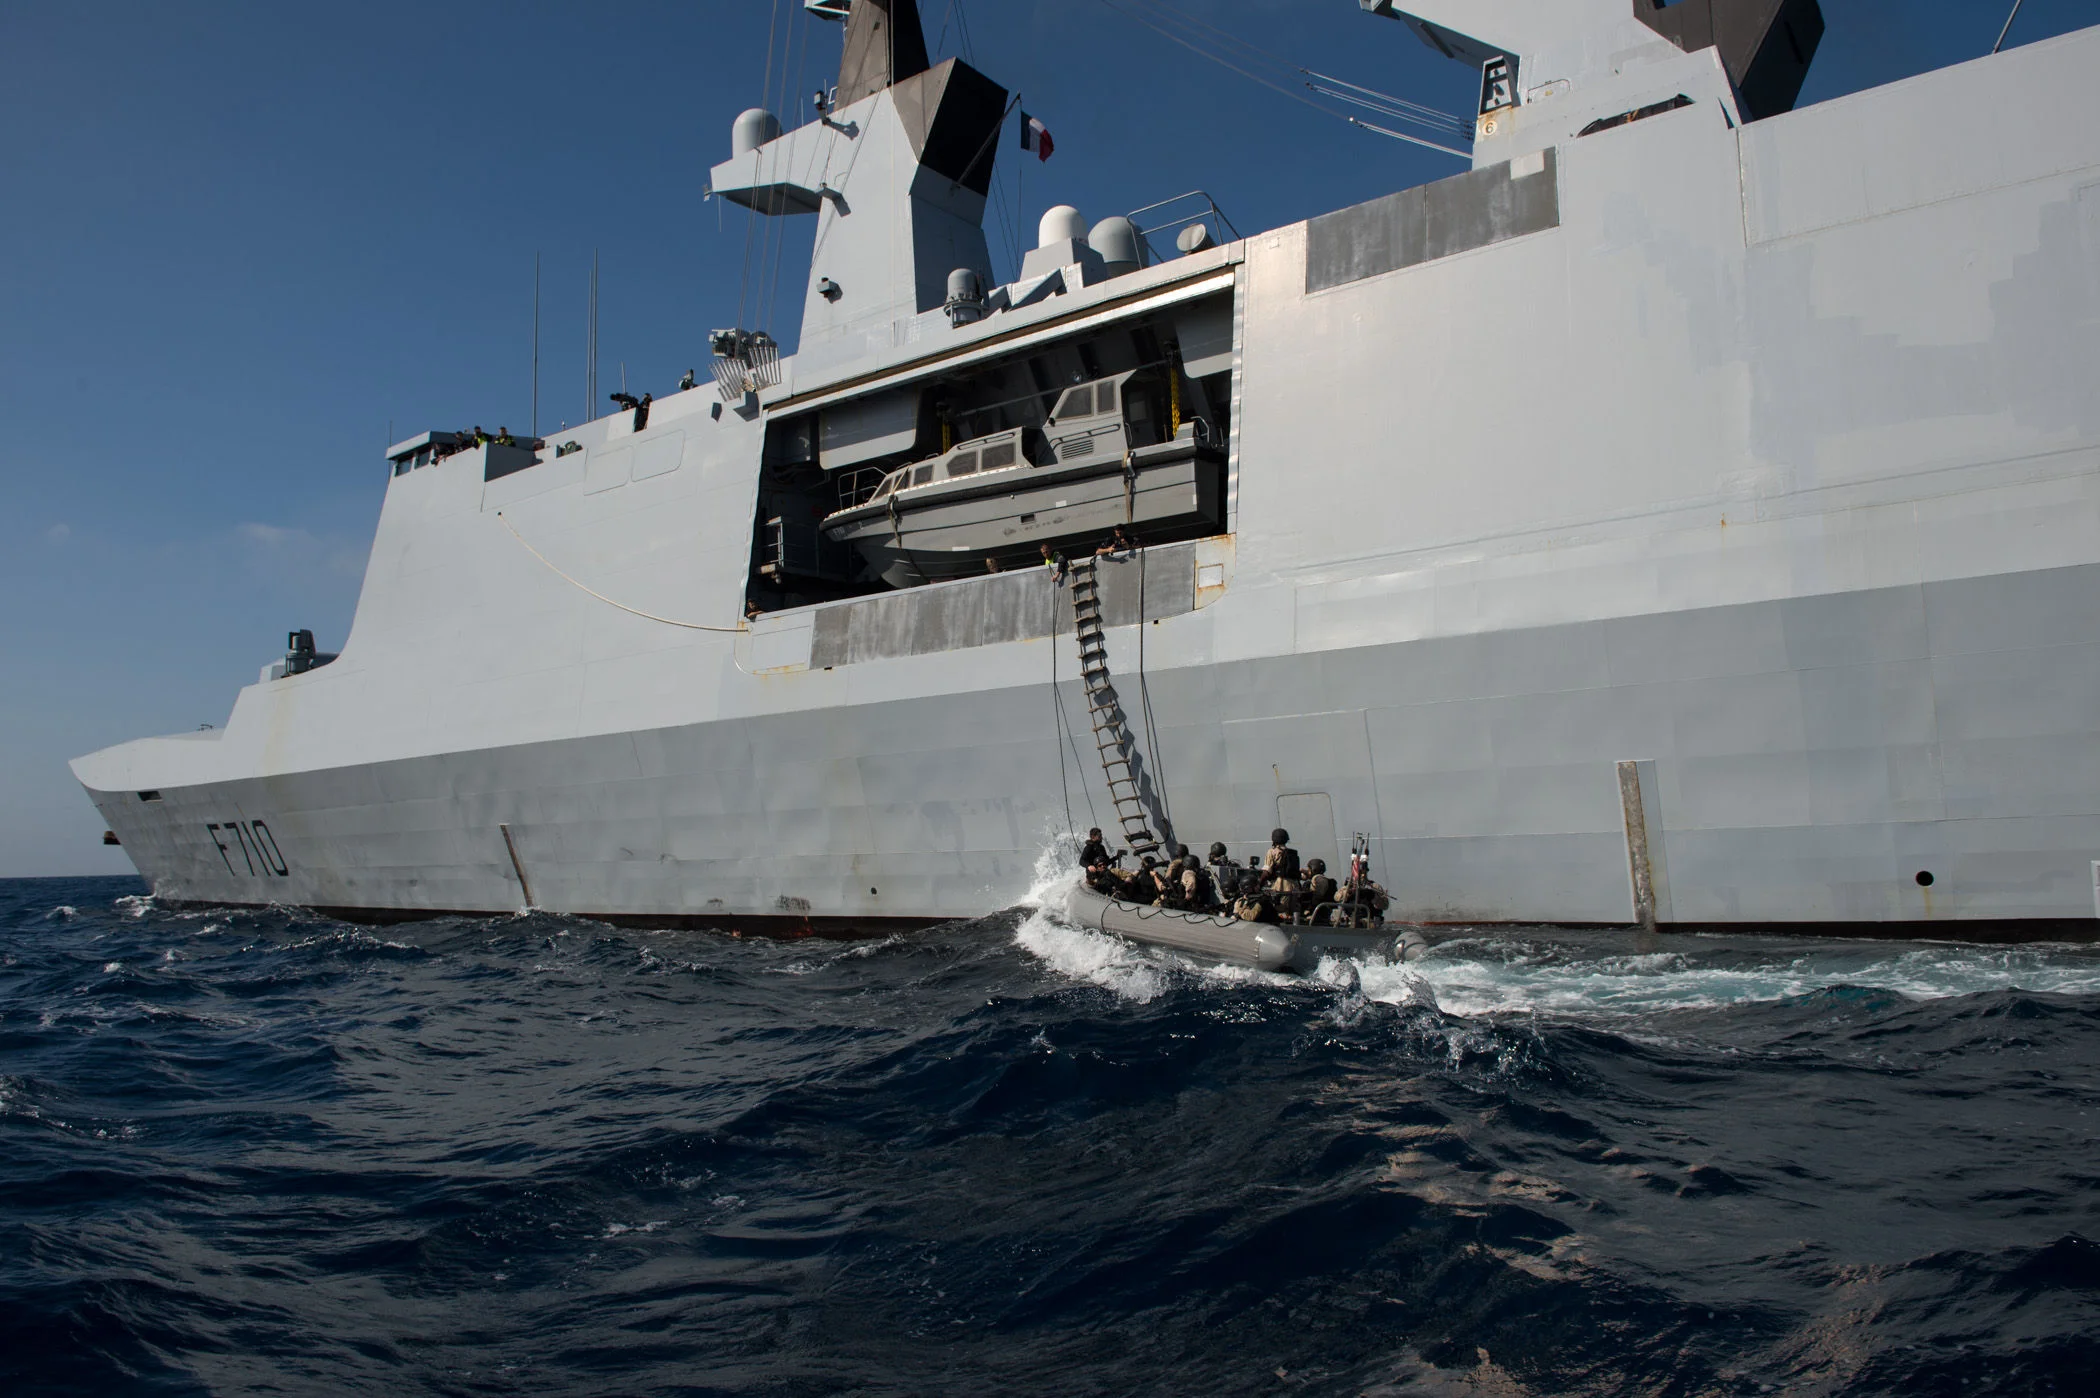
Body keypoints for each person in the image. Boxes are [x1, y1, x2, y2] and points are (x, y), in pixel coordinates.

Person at [1262, 828, 1302, 922]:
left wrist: (1259, 883)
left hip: (1280, 886)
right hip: (1294, 886)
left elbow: (1267, 871)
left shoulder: (1272, 852)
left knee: (1279, 910)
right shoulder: (1292, 853)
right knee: (1291, 913)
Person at [1303, 858, 1339, 926]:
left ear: (1313, 869)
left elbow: (1318, 896)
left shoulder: (1318, 879)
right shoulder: (1327, 880)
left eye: (1309, 869)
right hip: (1325, 912)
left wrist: (1309, 908)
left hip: (1317, 912)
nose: (1307, 871)